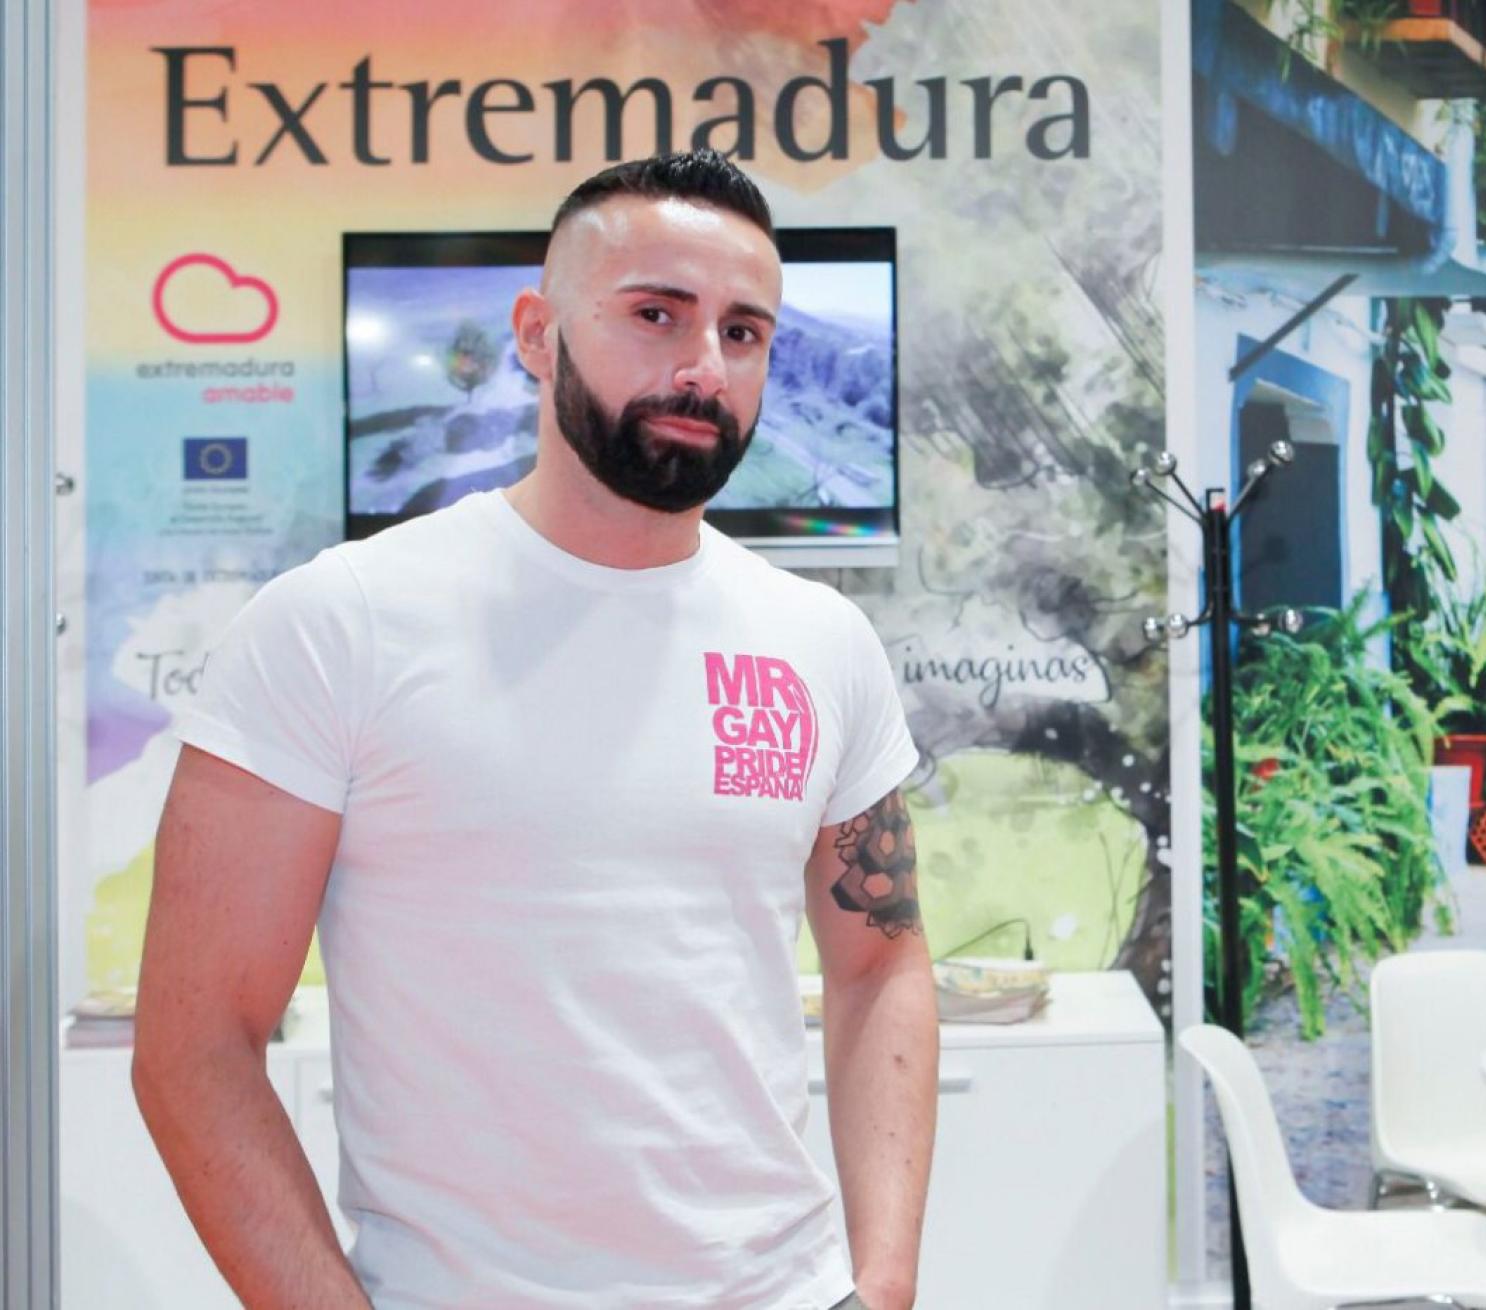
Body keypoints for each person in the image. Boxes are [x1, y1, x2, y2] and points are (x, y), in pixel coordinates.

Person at [132, 151, 935, 1310]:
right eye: (655, 314)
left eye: (744, 332)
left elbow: (880, 958)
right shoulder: (339, 622)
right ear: (536, 333)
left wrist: (884, 1280)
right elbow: (195, 1043)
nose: (703, 367)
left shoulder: (820, 639)